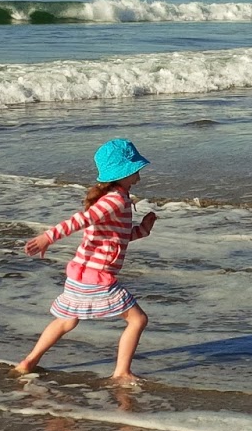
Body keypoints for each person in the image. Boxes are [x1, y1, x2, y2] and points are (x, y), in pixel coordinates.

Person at [14, 138, 158, 383]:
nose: (138, 176)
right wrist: (48, 237)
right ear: (122, 173)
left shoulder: (115, 198)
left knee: (66, 321)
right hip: (97, 276)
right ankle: (121, 372)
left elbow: (118, 237)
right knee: (138, 320)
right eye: (135, 170)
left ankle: (28, 362)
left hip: (81, 273)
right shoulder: (115, 200)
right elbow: (81, 220)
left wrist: (143, 230)